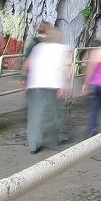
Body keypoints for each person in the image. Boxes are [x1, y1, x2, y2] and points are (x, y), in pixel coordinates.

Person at [23, 22, 70, 153]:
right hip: (54, 84)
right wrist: (64, 86)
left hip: (36, 84)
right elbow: (63, 68)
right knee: (57, 111)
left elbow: (27, 65)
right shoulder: (62, 49)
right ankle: (61, 135)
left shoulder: (38, 47)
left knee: (35, 114)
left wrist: (26, 80)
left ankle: (34, 144)